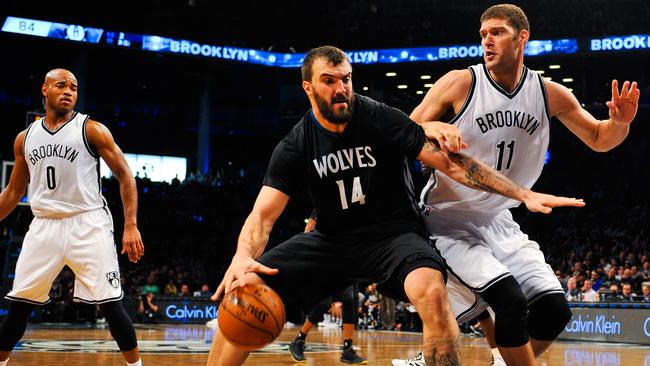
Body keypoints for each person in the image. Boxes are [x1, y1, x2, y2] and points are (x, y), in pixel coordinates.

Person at [206, 45, 583, 366]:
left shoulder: (377, 117)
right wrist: (242, 256)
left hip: (395, 236)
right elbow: (262, 217)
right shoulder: (295, 145)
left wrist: (521, 193)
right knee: (248, 284)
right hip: (332, 240)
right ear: (307, 87)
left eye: (346, 79)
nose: (341, 89)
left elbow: (452, 164)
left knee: (433, 292)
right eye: (329, 80)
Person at [392, 4, 640, 366]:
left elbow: (600, 139)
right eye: (483, 34)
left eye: (497, 32)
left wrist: (620, 124)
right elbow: (401, 134)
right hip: (448, 218)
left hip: (501, 219)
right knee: (509, 300)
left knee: (555, 311)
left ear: (522, 37)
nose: (486, 40)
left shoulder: (549, 93)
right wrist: (427, 127)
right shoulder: (460, 82)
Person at [0, 68, 145, 366]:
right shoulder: (24, 139)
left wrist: (130, 224)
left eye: (74, 87)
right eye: (61, 85)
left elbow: (124, 175)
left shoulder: (91, 129)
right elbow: (13, 192)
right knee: (18, 307)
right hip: (43, 225)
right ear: (45, 89)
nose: (69, 91)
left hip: (88, 223)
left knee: (111, 305)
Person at [288, 215, 366, 364]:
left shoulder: (354, 207)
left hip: (346, 257)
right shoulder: (325, 202)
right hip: (325, 255)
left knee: (349, 300)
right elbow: (309, 229)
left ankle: (347, 350)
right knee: (324, 303)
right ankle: (299, 340)